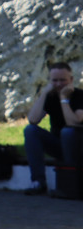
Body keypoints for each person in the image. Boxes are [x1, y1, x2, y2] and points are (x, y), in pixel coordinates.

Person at [23, 62, 83, 196]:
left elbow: (74, 123)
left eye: (63, 80)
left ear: (71, 80)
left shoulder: (79, 95)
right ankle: (38, 182)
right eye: (54, 80)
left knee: (67, 132)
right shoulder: (50, 96)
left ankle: (69, 183)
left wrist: (64, 100)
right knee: (30, 130)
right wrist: (44, 93)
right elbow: (33, 119)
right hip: (59, 145)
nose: (59, 84)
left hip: (77, 146)